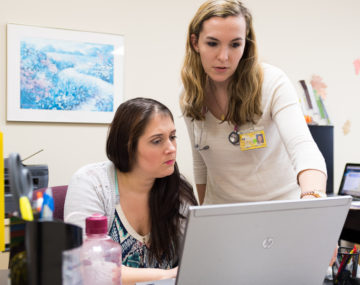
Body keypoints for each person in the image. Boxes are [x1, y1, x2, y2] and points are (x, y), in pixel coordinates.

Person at [180, 0, 327, 205]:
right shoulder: (190, 96)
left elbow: (302, 147)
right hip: (224, 212)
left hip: (279, 206)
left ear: (246, 44)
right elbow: (201, 165)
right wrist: (206, 217)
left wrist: (313, 196)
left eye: (235, 44)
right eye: (212, 43)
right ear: (195, 43)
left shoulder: (272, 82)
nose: (224, 57)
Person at [64, 97, 197, 284]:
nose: (171, 148)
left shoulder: (178, 191)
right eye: (157, 141)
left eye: (173, 137)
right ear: (128, 147)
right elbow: (89, 269)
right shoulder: (92, 183)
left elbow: (197, 259)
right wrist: (168, 275)